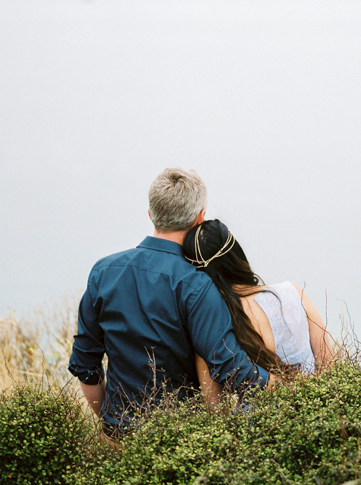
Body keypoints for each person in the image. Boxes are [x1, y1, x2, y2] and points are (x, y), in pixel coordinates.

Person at [68, 168, 271, 429]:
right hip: (178, 443)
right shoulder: (198, 285)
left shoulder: (103, 272)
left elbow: (85, 364)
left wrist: (112, 423)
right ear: (200, 218)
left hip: (116, 438)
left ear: (151, 213)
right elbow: (228, 364)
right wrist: (277, 383)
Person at [182, 218, 333, 408]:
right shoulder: (293, 292)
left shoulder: (212, 329)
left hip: (256, 435)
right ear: (236, 253)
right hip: (317, 419)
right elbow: (330, 366)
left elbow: (215, 409)